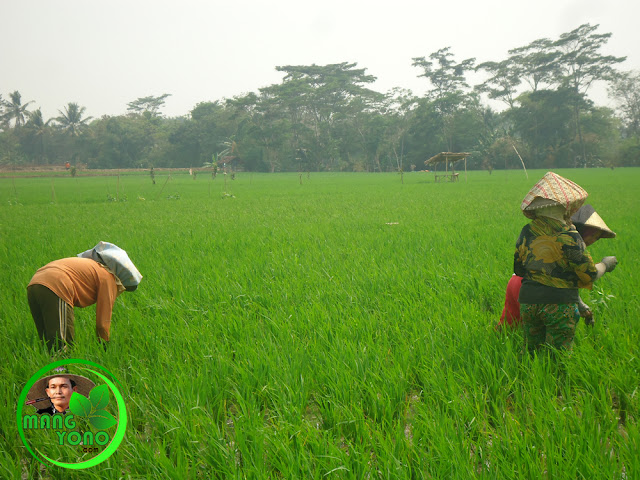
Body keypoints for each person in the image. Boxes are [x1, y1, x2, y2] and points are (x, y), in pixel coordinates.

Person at [513, 172, 618, 353]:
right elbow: (589, 274)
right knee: (557, 357)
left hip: (528, 302)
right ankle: (556, 382)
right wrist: (606, 264)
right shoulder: (569, 235)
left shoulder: (527, 231)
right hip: (559, 304)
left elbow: (519, 269)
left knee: (532, 353)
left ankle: (530, 379)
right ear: (564, 207)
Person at [497, 203, 617, 329]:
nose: (593, 240)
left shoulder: (549, 234)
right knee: (548, 331)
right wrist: (605, 264)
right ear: (581, 229)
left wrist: (580, 305)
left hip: (519, 282)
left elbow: (567, 280)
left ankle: (500, 338)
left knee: (511, 324)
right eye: (592, 235)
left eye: (596, 238)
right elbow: (589, 274)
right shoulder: (572, 242)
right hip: (543, 289)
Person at [27, 242, 142, 350]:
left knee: (47, 340)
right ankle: (62, 370)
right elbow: (103, 323)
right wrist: (104, 346)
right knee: (62, 344)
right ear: (120, 279)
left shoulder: (91, 266)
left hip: (34, 283)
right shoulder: (108, 278)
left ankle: (51, 368)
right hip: (57, 285)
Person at [27, 374, 94, 415]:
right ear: (48, 392)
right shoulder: (40, 416)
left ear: (74, 390)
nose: (58, 392)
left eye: (64, 386)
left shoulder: (85, 414)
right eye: (53, 387)